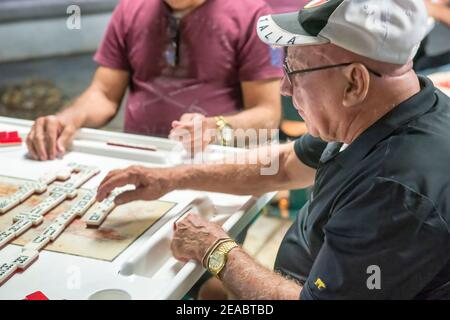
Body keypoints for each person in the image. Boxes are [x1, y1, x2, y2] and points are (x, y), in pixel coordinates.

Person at [96, 0, 450, 299]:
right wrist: (170, 178)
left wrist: (215, 250)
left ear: (354, 82)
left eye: (293, 69)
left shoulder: (397, 191)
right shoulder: (389, 108)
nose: (283, 87)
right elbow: (282, 165)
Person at [25, 0, 282, 161]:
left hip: (214, 161)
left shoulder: (251, 14)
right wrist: (67, 120)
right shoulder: (130, 8)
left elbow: (267, 113)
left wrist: (215, 128)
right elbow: (103, 94)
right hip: (140, 159)